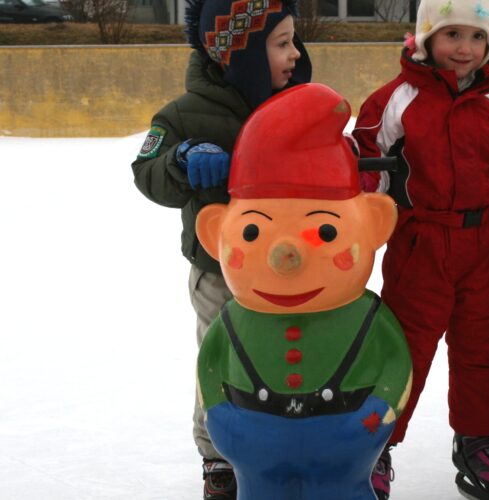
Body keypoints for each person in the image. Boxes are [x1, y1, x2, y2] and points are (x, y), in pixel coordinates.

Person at [352, 1, 489, 499]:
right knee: (403, 351)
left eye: (476, 36)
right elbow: (366, 172)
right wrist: (351, 235)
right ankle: (374, 447)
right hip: (420, 246)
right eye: (452, 35)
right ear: (425, 39)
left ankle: (477, 439)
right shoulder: (395, 100)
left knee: (481, 349)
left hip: (482, 247)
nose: (465, 48)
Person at [130, 0, 312, 497]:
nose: (296, 53)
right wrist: (182, 159)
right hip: (219, 271)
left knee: (287, 359)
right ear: (242, 53)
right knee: (222, 360)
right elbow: (146, 171)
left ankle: (284, 439)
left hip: (291, 269)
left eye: (294, 40)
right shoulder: (185, 114)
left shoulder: (297, 103)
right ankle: (217, 457)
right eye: (281, 44)